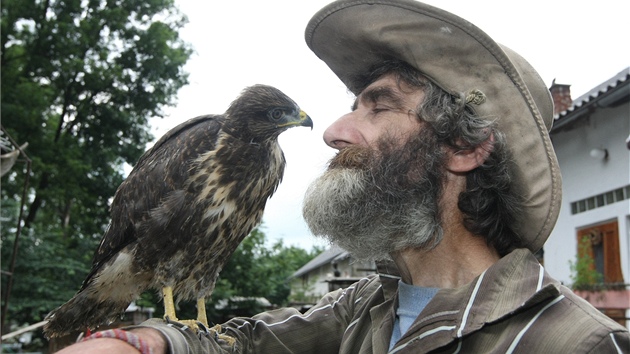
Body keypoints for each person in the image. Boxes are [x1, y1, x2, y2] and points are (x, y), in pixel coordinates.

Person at [57, 0, 630, 353]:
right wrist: (146, 340)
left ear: (462, 146)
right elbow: (244, 344)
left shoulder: (573, 345)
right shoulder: (365, 310)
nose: (333, 130)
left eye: (377, 107)